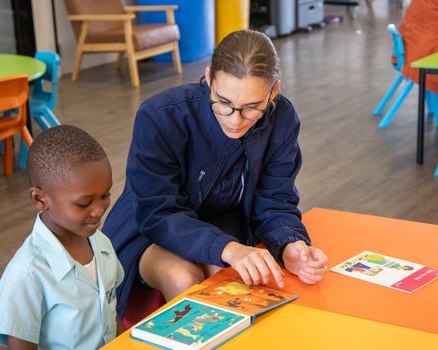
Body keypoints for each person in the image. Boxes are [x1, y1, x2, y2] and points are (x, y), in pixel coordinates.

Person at [103, 29, 328, 318]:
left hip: (222, 227)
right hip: (147, 229)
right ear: (208, 79)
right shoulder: (159, 116)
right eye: (223, 102)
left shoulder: (282, 118)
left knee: (229, 276)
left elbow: (275, 200)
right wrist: (227, 247)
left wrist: (290, 245)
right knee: (184, 277)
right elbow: (158, 213)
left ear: (274, 91)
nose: (235, 120)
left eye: (251, 108)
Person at [0, 125, 125, 349]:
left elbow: (111, 319)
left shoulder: (101, 244)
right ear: (40, 199)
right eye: (84, 203)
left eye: (105, 195)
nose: (99, 210)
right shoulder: (27, 274)